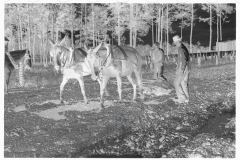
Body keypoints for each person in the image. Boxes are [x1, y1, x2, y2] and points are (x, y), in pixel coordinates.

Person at [172, 35, 191, 104]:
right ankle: (186, 99)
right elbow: (184, 59)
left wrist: (181, 70)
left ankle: (181, 98)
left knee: (176, 83)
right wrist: (176, 61)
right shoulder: (183, 48)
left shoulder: (180, 49)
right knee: (183, 83)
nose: (175, 44)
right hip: (187, 67)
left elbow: (183, 60)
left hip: (183, 68)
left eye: (175, 43)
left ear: (177, 42)